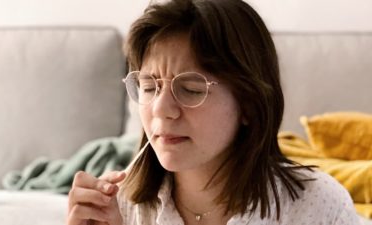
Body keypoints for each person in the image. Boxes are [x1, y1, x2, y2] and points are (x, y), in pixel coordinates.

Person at [67, 0, 360, 224]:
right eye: (149, 87)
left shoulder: (317, 206)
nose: (161, 109)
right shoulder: (118, 207)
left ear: (248, 103)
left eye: (191, 89)